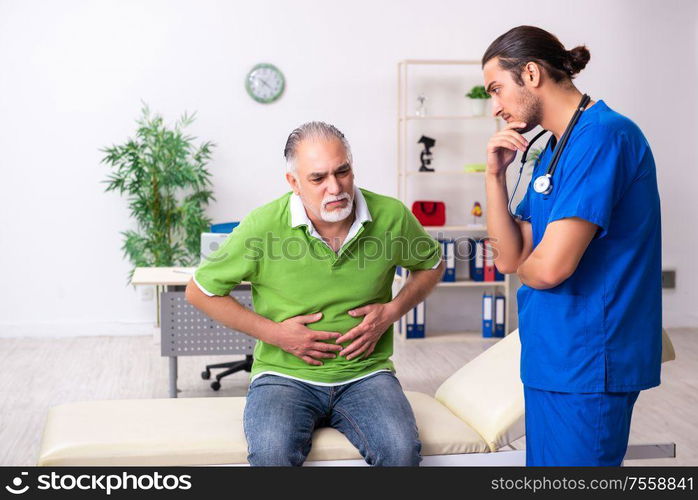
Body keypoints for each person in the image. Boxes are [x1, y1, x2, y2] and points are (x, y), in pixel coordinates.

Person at [185, 121, 444, 466]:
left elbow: (432, 264)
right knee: (272, 456)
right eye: (318, 178)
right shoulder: (263, 225)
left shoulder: (391, 216)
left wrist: (392, 311)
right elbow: (200, 291)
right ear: (293, 182)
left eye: (343, 171)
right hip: (283, 376)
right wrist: (277, 334)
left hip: (365, 374)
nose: (335, 188)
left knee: (400, 452)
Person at [481, 26, 662, 466]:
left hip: (590, 358)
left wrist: (532, 262)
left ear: (530, 73)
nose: (495, 107)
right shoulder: (552, 149)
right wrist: (493, 177)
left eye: (497, 90)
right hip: (551, 356)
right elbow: (509, 258)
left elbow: (548, 269)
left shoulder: (605, 136)